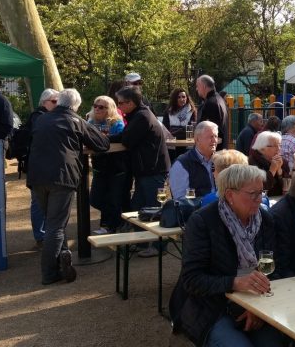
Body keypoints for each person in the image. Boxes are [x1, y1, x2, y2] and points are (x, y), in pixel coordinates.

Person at [169, 165, 284, 346]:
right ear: (230, 195)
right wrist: (235, 283)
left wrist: (256, 309)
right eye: (253, 193)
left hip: (254, 303)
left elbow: (276, 268)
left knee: (277, 342)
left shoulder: (265, 220)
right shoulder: (203, 222)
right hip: (210, 308)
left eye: (261, 192)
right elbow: (191, 280)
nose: (259, 199)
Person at [27, 89, 109, 284]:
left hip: (37, 176)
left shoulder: (42, 119)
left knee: (52, 221)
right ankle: (50, 273)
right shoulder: (75, 120)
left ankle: (63, 254)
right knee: (56, 226)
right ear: (76, 106)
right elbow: (102, 144)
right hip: (61, 177)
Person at [109, 86, 171, 256]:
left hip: (153, 170)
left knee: (153, 209)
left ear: (131, 102)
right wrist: (104, 138)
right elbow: (125, 136)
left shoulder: (142, 116)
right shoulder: (138, 115)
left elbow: (127, 140)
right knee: (138, 209)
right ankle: (142, 243)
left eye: (121, 103)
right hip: (147, 170)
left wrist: (104, 139)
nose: (118, 106)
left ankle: (160, 247)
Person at [87, 95, 126, 235]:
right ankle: (116, 222)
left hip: (116, 167)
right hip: (99, 167)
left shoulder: (116, 123)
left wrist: (100, 139)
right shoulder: (90, 122)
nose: (97, 109)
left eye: (101, 107)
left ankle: (109, 227)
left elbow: (121, 138)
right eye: (95, 105)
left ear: (109, 109)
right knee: (95, 199)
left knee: (113, 200)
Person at [25, 88, 59, 246]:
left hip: (47, 165)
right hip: (39, 166)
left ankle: (46, 233)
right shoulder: (38, 117)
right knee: (38, 202)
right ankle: (41, 235)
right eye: (54, 101)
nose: (57, 104)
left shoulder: (46, 116)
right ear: (44, 102)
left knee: (47, 201)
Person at [169, 121, 218, 202]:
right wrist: (207, 201)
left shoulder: (221, 160)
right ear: (197, 139)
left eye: (216, 136)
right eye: (210, 137)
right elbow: (181, 201)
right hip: (196, 212)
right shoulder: (182, 164)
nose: (214, 140)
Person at [248, 131, 288, 196]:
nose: (278, 148)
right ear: (262, 148)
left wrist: (280, 171)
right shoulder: (252, 162)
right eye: (274, 146)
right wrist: (272, 170)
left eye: (279, 145)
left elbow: (287, 187)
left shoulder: (283, 162)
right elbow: (261, 188)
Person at [162, 87, 197, 160]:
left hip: (187, 145)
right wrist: (181, 130)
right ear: (175, 99)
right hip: (171, 145)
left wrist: (176, 130)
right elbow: (165, 128)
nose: (182, 99)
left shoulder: (192, 111)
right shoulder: (168, 111)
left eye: (184, 97)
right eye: (179, 97)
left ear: (187, 98)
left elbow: (191, 128)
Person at [196, 74, 229, 150]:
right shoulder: (219, 99)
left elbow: (206, 130)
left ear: (204, 86)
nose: (196, 89)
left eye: (197, 86)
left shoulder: (211, 103)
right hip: (221, 149)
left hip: (213, 151)